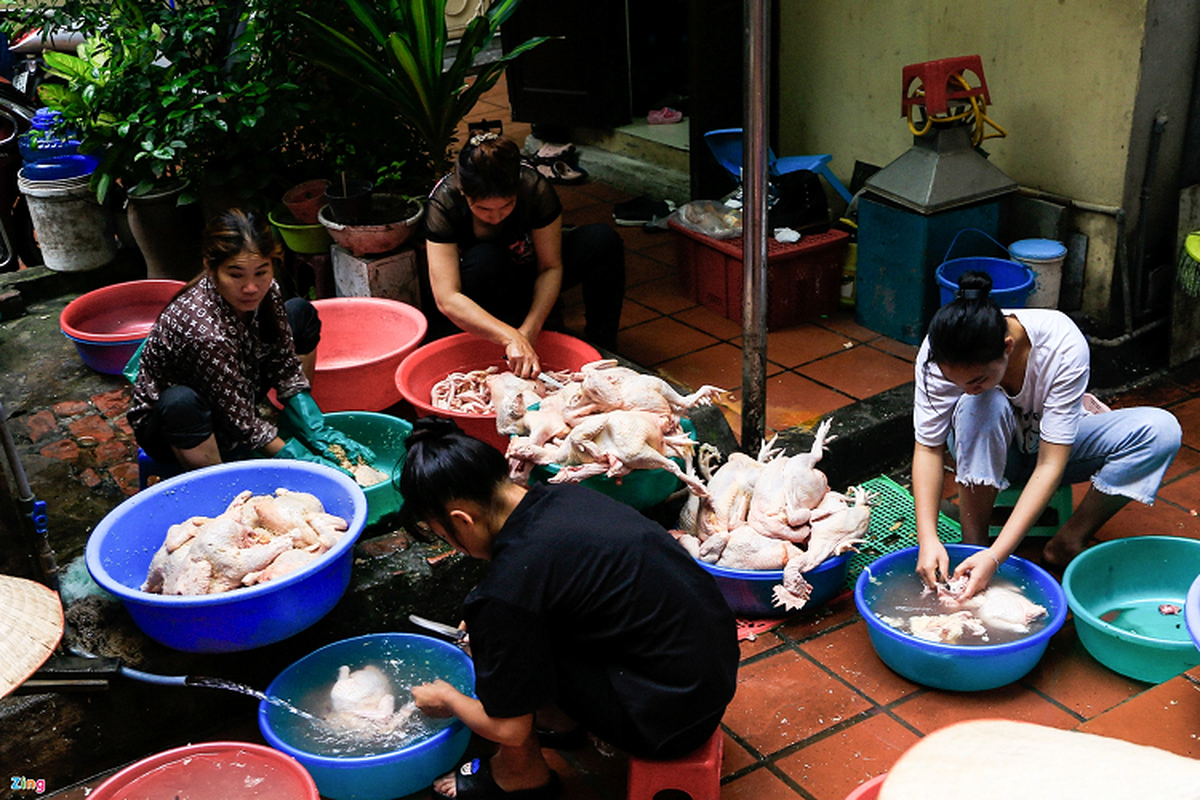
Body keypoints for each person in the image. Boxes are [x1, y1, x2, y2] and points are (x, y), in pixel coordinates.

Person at [400, 417, 738, 800]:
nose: (455, 546)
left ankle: (519, 777)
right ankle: (558, 724)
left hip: (668, 722)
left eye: (446, 536)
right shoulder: (564, 495)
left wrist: (447, 700)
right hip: (712, 672)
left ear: (463, 519)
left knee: (503, 663)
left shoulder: (506, 592)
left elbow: (508, 729)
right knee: (506, 635)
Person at [912, 270, 1181, 598]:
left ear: (1007, 347)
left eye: (977, 379)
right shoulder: (938, 352)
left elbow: (1050, 464)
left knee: (1161, 431)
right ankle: (973, 548)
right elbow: (928, 447)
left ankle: (1067, 541)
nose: (965, 388)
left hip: (1054, 450)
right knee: (978, 405)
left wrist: (998, 557)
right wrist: (928, 538)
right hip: (985, 447)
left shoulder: (1062, 344)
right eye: (955, 383)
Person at [128, 209, 371, 473]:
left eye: (261, 272)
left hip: (237, 386)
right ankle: (219, 482)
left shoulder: (268, 292)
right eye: (236, 275)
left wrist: (316, 427)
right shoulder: (203, 331)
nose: (251, 287)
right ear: (212, 269)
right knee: (181, 403)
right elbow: (240, 421)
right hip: (177, 425)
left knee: (300, 312)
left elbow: (284, 361)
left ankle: (294, 423)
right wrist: (303, 462)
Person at [424, 132, 625, 378]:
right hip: (484, 289)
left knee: (601, 240)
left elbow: (550, 266)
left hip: (529, 274)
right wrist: (510, 336)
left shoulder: (533, 187)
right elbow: (447, 296)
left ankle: (602, 349)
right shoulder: (445, 201)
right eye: (484, 209)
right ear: (465, 194)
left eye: (506, 205)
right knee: (486, 259)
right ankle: (498, 348)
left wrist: (530, 330)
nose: (496, 217)